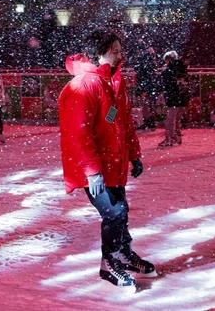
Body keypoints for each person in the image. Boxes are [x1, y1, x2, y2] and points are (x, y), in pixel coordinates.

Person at [58, 29, 156, 287]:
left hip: (114, 163)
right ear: (98, 54)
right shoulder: (83, 85)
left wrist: (134, 155)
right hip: (92, 167)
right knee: (114, 212)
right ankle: (109, 263)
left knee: (121, 212)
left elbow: (123, 123)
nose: (120, 55)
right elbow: (78, 133)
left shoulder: (114, 81)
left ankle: (123, 254)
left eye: (120, 50)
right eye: (115, 52)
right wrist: (92, 171)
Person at [158, 50, 188, 147]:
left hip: (173, 98)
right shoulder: (182, 68)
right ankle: (177, 136)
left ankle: (169, 138)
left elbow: (163, 83)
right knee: (177, 118)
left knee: (170, 119)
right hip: (182, 98)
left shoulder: (169, 70)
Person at [133, 44, 159, 131]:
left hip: (145, 86)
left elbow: (143, 75)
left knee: (146, 105)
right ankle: (150, 122)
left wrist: (144, 89)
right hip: (149, 87)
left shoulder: (143, 62)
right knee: (149, 105)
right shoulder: (150, 62)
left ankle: (148, 122)